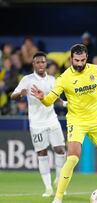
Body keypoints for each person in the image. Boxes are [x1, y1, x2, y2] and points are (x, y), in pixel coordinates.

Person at [30, 44, 97, 203]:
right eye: (76, 60)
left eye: (83, 60)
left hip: (95, 120)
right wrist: (42, 98)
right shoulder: (64, 78)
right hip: (77, 121)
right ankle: (58, 199)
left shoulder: (95, 70)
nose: (79, 63)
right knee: (72, 158)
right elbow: (50, 100)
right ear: (71, 59)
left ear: (87, 58)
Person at [10, 52, 66, 197]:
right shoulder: (27, 80)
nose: (41, 64)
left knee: (61, 150)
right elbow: (13, 96)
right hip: (36, 123)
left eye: (43, 62)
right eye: (38, 62)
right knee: (42, 153)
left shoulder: (52, 79)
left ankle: (59, 181)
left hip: (52, 120)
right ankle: (48, 188)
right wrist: (20, 94)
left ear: (46, 64)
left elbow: (56, 98)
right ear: (33, 64)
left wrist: (64, 103)